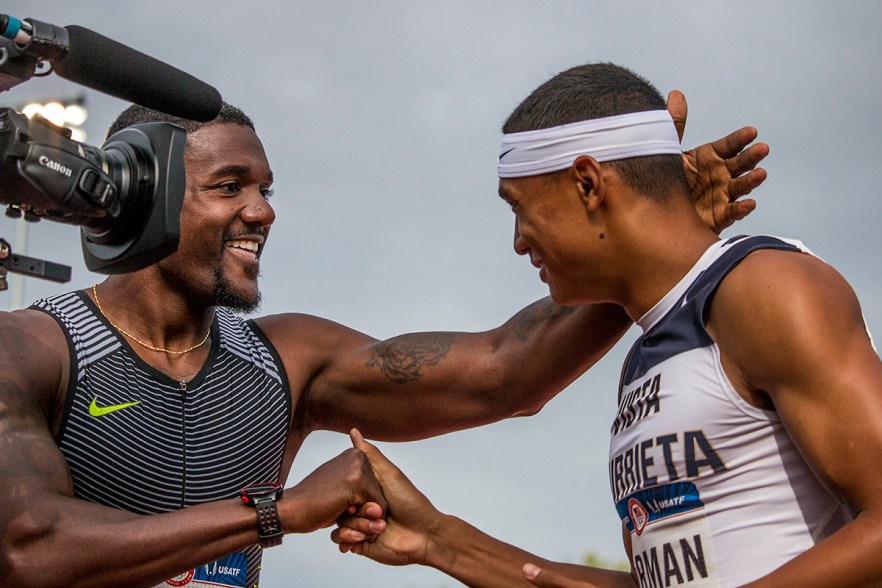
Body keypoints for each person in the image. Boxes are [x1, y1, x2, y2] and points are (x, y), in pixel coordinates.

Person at [0, 86, 765, 587]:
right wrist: (277, 511)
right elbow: (29, 546)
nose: (263, 211)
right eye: (230, 187)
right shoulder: (32, 349)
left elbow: (505, 373)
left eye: (266, 189)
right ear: (139, 196)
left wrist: (653, 234)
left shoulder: (284, 362)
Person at [333, 63, 882, 587]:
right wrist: (437, 539)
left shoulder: (764, 289)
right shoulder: (647, 358)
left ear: (589, 184)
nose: (519, 240)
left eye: (521, 208)